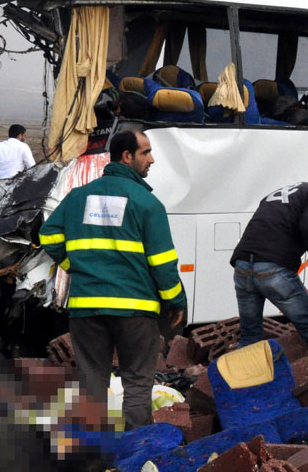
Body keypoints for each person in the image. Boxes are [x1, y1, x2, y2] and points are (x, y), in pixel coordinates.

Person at [39, 130, 186, 430]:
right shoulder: (146, 203)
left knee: (92, 383)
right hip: (135, 308)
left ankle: (93, 456)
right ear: (126, 156)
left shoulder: (79, 196)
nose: (152, 159)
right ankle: (134, 455)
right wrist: (175, 301)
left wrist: (76, 266)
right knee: (136, 383)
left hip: (86, 308)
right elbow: (162, 263)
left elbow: (48, 235)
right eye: (145, 152)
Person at [231, 167, 308, 355]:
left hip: (242, 265)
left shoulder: (282, 193)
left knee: (250, 337)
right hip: (272, 268)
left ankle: (240, 383)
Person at [0, 124, 36, 216]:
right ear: (20, 136)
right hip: (15, 187)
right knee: (13, 215)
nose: (24, 138)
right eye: (24, 136)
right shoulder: (23, 146)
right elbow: (32, 167)